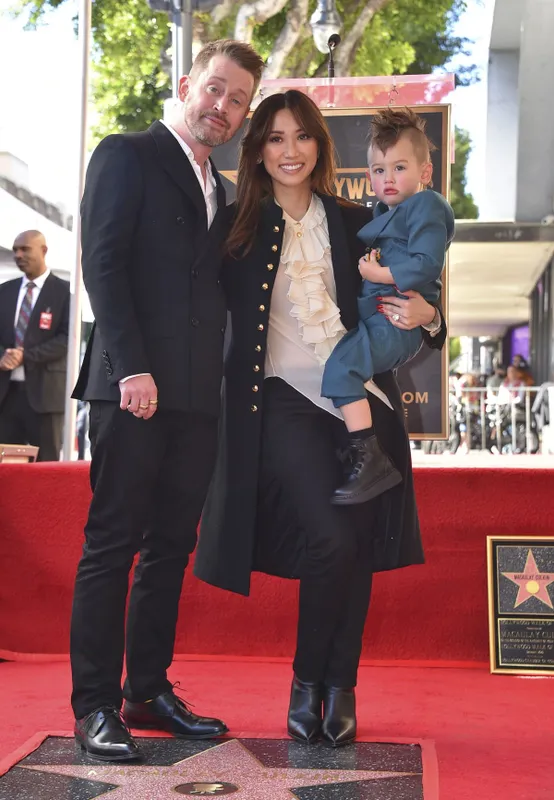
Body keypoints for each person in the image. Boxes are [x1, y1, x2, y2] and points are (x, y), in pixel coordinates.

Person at [194, 90, 446, 748]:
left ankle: (342, 686)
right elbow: (186, 303)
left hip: (364, 408)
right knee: (332, 537)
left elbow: (419, 295)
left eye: (302, 136)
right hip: (282, 403)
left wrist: (431, 318)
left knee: (354, 545)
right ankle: (309, 681)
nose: (290, 151)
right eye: (276, 138)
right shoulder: (235, 227)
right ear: (257, 150)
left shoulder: (359, 219)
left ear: (319, 146)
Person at [70, 39, 265, 762]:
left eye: (238, 100)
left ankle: (145, 690)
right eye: (215, 89)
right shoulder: (128, 154)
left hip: (196, 400)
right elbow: (103, 264)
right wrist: (132, 369)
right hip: (133, 388)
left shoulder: (225, 191)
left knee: (170, 549)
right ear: (187, 85)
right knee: (111, 544)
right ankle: (94, 705)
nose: (223, 106)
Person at [320, 108, 454, 505]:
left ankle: (369, 456)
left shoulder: (426, 206)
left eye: (399, 167)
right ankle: (364, 452)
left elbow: (427, 265)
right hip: (374, 321)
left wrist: (385, 278)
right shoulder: (381, 214)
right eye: (380, 170)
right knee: (342, 368)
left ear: (425, 172)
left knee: (342, 369)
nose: (388, 178)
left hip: (393, 322)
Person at [0, 230, 69, 461]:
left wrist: (25, 356)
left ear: (44, 250)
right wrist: (3, 356)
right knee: (6, 468)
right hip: (6, 396)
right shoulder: (4, 291)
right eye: (15, 250)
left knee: (47, 466)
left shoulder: (65, 293)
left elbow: (66, 339)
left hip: (45, 398)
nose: (18, 255)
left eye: (25, 249)